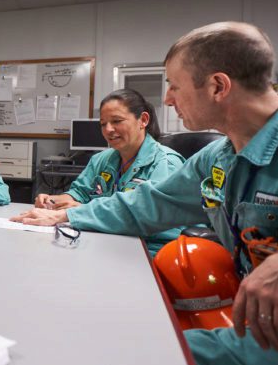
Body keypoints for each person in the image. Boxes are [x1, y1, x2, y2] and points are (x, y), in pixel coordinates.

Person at [13, 22, 278, 365]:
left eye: (174, 85)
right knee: (110, 338)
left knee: (122, 359)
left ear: (218, 86)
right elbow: (150, 203)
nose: (168, 100)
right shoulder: (220, 157)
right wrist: (66, 217)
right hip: (256, 323)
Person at [34, 88, 184, 253]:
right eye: (103, 124)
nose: (108, 130)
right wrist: (52, 201)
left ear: (143, 120)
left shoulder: (166, 163)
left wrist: (82, 211)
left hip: (152, 252)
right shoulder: (101, 160)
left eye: (117, 121)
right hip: (106, 242)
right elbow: (79, 193)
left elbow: (146, 217)